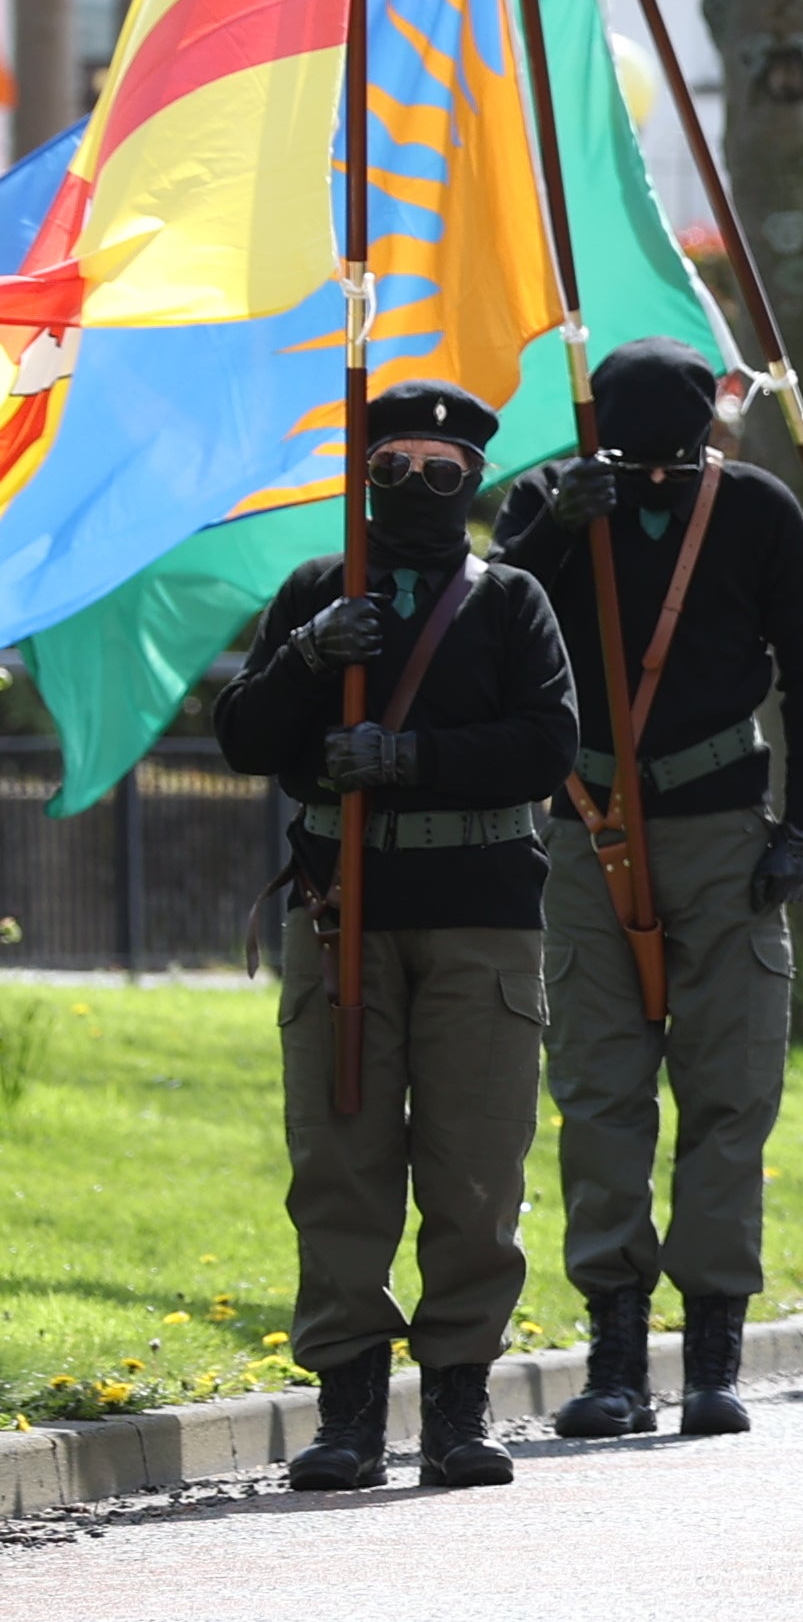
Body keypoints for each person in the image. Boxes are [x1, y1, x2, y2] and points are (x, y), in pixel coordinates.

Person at [221, 380, 579, 1493]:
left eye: (442, 470)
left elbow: (547, 744)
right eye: (393, 468)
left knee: (473, 1167)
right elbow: (243, 737)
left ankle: (461, 1406)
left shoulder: (510, 599)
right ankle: (348, 1414)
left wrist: (414, 760)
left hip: (477, 913)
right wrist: (309, 659)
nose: (417, 486)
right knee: (341, 1160)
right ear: (362, 477)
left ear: (474, 481)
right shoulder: (317, 591)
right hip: (345, 912)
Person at [495, 336, 803, 1444]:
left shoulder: (755, 508)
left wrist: (801, 824)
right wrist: (558, 530)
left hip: (717, 822)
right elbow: (495, 623)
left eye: (674, 441)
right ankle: (612, 1353)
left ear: (708, 429)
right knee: (598, 1088)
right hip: (588, 824)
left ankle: (712, 1352)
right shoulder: (550, 500)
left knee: (729, 1087)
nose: (654, 462)